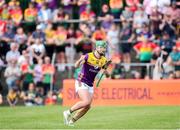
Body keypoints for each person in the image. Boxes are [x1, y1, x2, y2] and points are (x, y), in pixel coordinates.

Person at [63, 40, 111, 126]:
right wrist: (80, 60)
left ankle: (71, 121)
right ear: (97, 48)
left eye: (104, 48)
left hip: (90, 84)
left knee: (88, 106)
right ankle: (67, 112)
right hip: (81, 81)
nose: (103, 50)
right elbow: (76, 66)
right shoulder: (88, 56)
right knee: (86, 101)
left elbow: (107, 75)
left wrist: (106, 70)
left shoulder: (104, 60)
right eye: (102, 47)